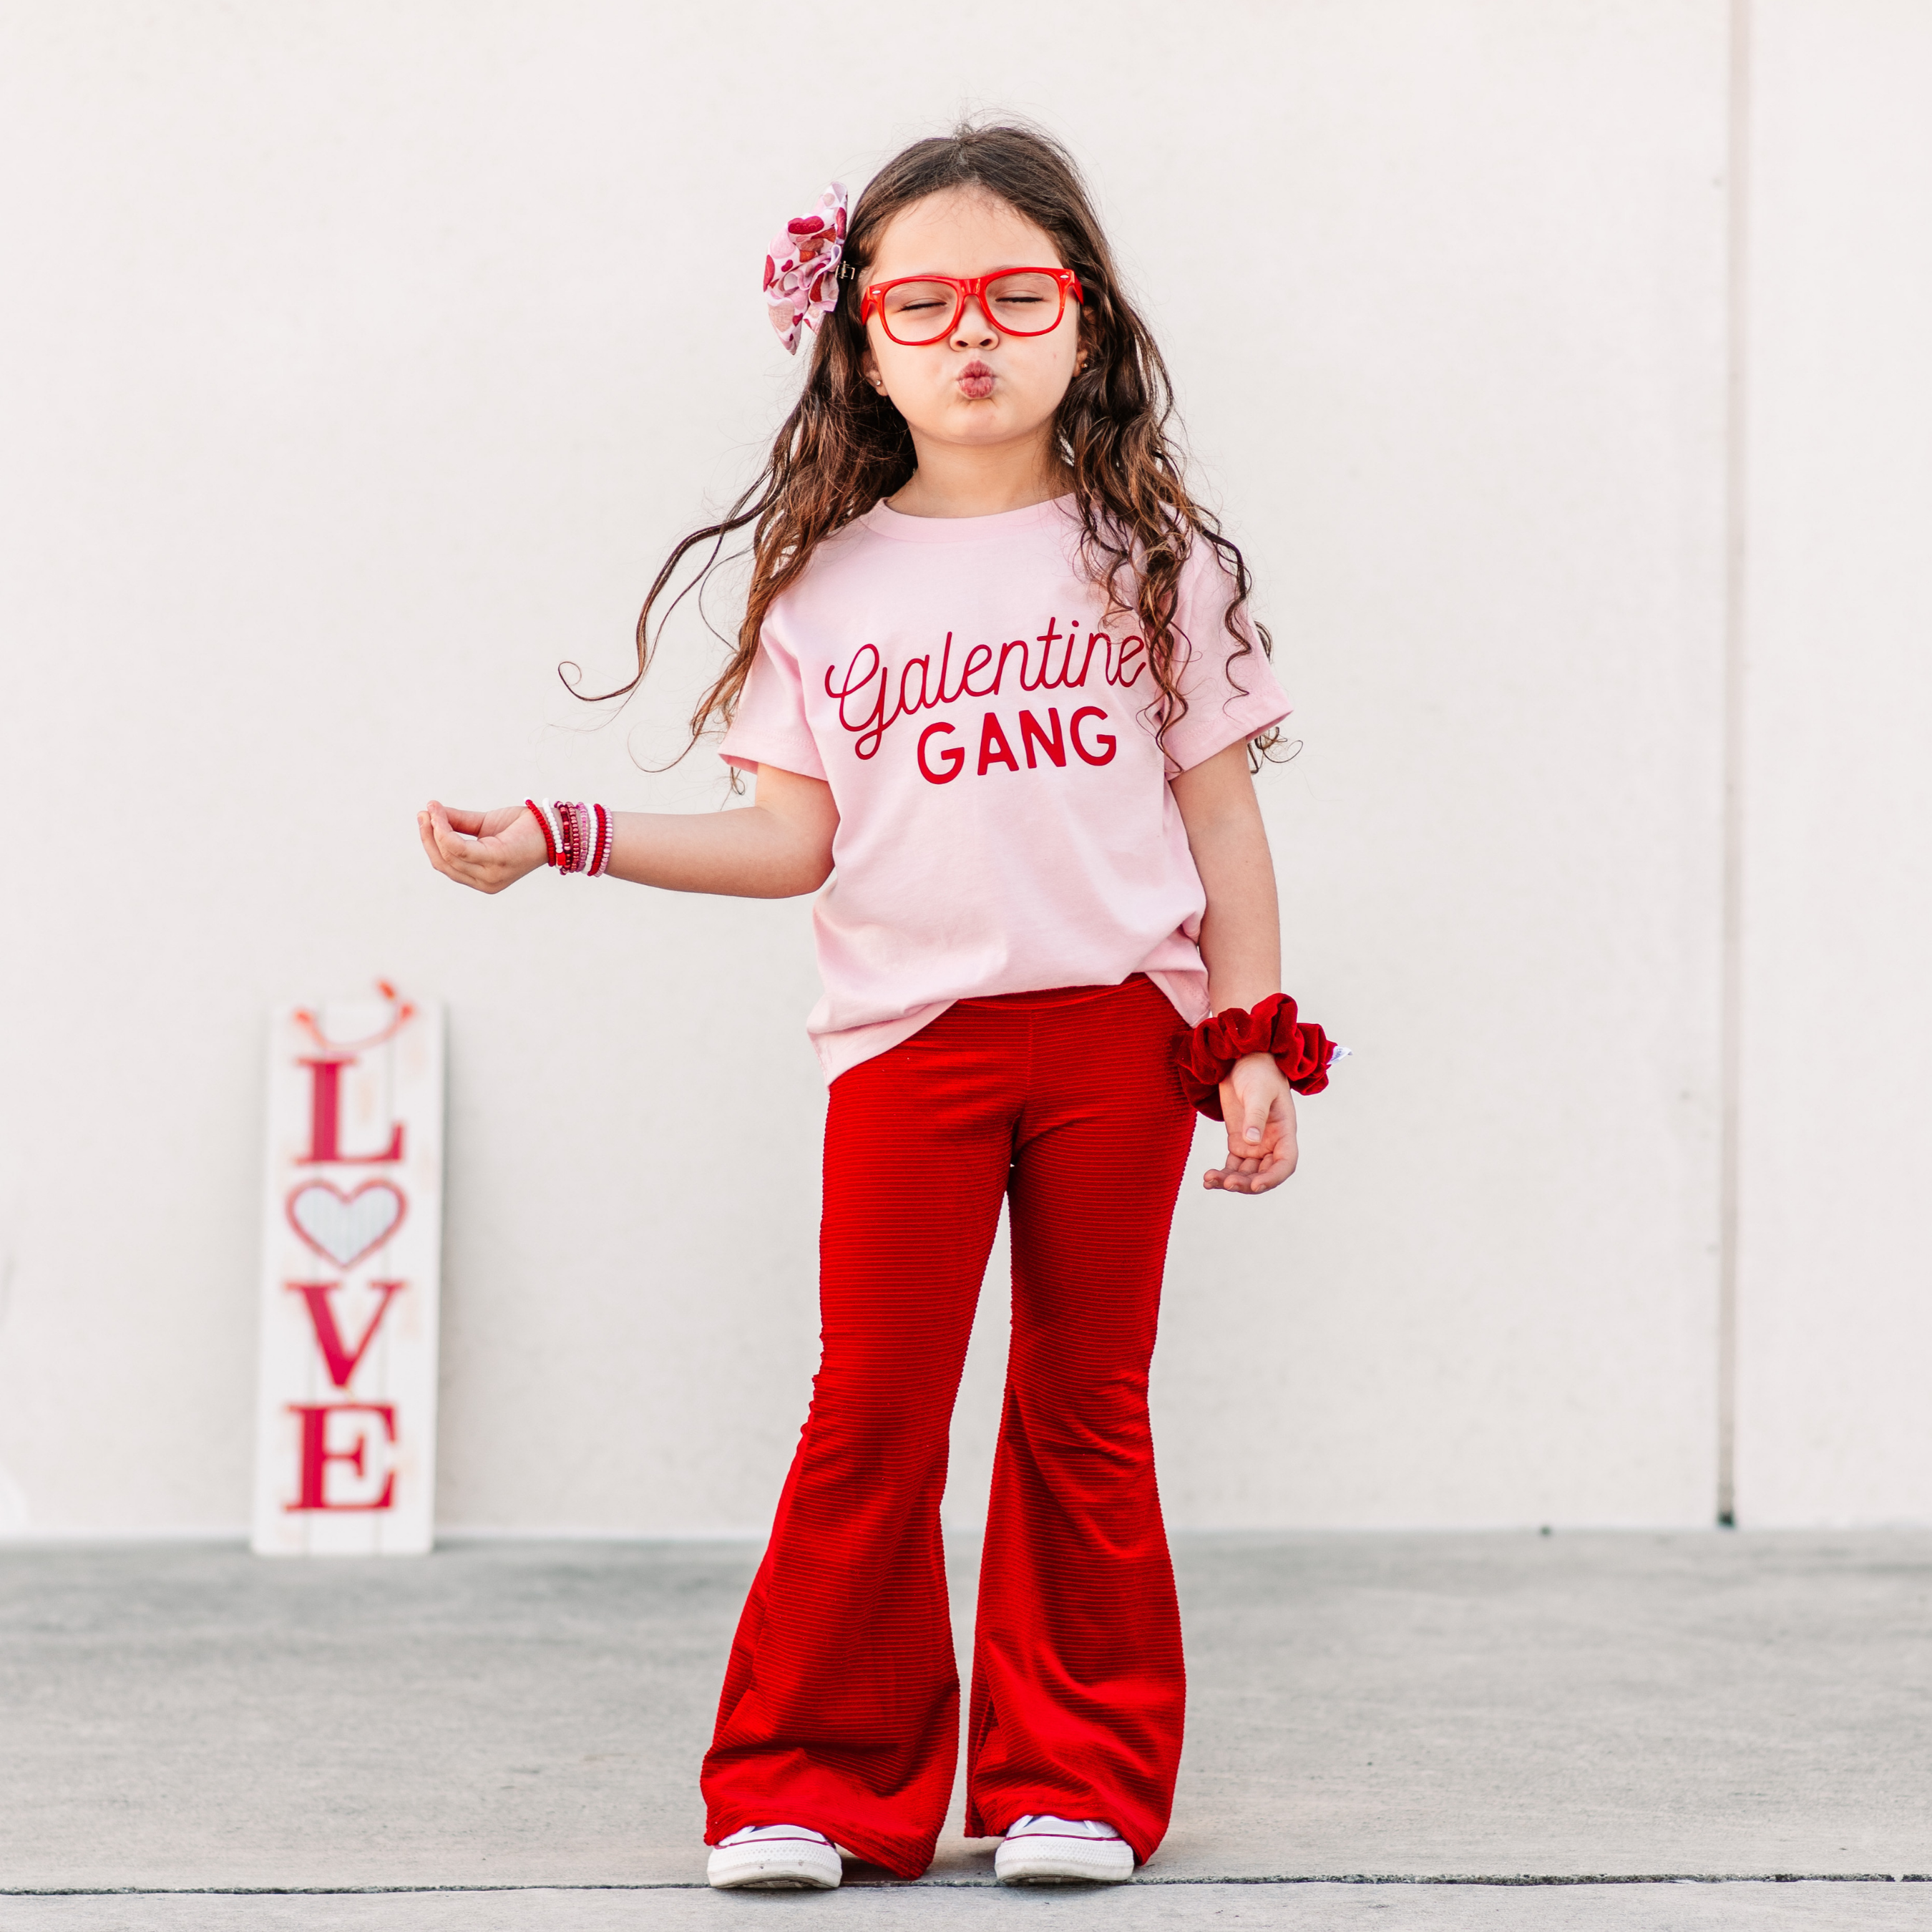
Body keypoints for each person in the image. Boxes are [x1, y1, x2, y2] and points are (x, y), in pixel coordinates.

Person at [419, 122, 1337, 1893]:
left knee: (1085, 1407)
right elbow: (792, 844)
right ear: (861, 341)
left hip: (1120, 1039)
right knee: (875, 1409)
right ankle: (810, 1780)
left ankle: (1074, 1780)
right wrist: (567, 835)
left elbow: (1225, 823)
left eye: (1016, 294)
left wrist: (1250, 1042)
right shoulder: (827, 586)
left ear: (1085, 318)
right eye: (924, 303)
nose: (971, 332)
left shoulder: (1161, 565)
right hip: (911, 1049)